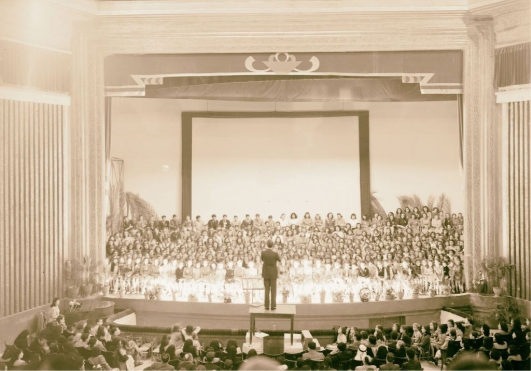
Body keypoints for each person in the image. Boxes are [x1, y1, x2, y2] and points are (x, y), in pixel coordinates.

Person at [261, 240, 280, 310]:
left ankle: (266, 306)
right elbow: (280, 260)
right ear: (273, 245)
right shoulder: (275, 253)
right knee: (273, 290)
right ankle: (273, 306)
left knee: (266, 290)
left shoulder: (263, 253)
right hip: (273, 274)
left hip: (266, 273)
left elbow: (262, 260)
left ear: (266, 245)